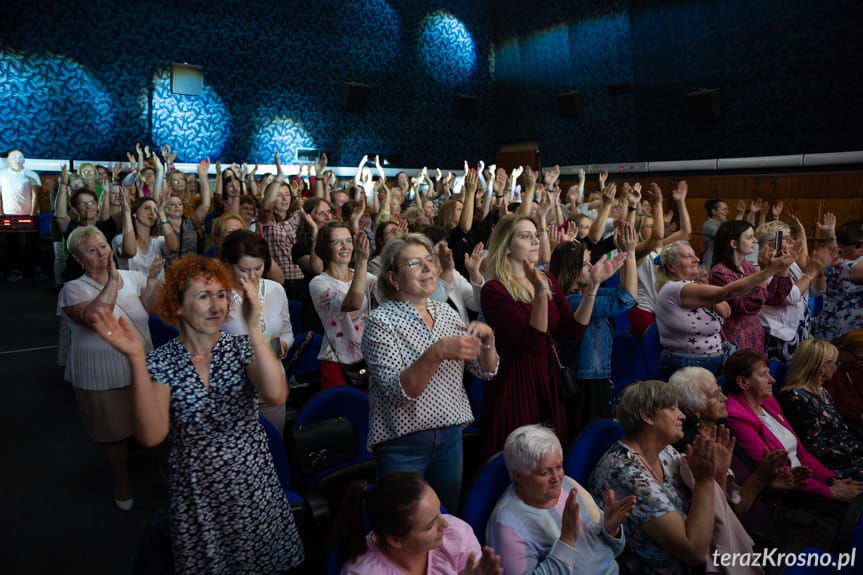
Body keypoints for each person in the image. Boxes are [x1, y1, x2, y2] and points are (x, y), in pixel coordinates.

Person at [89, 256, 304, 573]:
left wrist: (255, 327)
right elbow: (152, 435)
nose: (216, 305)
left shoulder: (242, 347)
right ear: (177, 305)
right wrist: (136, 358)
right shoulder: (161, 360)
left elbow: (275, 393)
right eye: (204, 296)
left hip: (252, 483)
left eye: (221, 295)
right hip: (198, 489)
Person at [361, 233, 498, 512]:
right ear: (393, 279)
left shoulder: (446, 313)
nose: (427, 268)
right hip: (403, 445)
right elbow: (399, 392)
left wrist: (487, 343)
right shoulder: (380, 321)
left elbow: (486, 371)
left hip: (449, 438)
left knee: (445, 521)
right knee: (405, 524)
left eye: (429, 261)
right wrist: (436, 352)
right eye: (414, 263)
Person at [480, 214, 624, 456]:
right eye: (526, 236)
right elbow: (533, 342)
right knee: (524, 456)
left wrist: (593, 287)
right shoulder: (494, 290)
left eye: (536, 235)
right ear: (506, 247)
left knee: (551, 455)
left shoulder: (547, 280)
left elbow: (574, 329)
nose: (535, 241)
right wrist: (538, 295)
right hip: (517, 383)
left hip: (548, 377)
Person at [668, 367, 809, 574]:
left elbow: (750, 476)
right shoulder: (693, 450)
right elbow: (725, 513)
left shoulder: (723, 426)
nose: (724, 397)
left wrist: (772, 481)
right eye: (716, 395)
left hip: (769, 516)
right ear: (697, 408)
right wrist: (760, 479)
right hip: (741, 541)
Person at [58, 226, 159, 510]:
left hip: (140, 366)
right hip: (101, 373)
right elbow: (96, 315)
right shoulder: (72, 289)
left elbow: (152, 310)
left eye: (103, 246)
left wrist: (150, 281)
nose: (102, 253)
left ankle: (160, 468)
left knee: (152, 422)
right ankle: (121, 481)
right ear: (79, 259)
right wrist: (113, 279)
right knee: (112, 434)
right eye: (92, 250)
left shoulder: (134, 276)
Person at [589, 380, 720, 575]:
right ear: (647, 415)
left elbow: (711, 511)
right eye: (673, 408)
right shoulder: (625, 474)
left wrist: (719, 473)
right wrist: (705, 481)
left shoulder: (665, 451)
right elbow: (694, 552)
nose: (683, 416)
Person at [487, 424, 634, 575]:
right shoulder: (507, 524)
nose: (557, 478)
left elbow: (611, 552)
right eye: (544, 472)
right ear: (518, 476)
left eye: (559, 467)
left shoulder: (568, 485)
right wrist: (566, 540)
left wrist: (611, 530)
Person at [723, 349, 863, 501]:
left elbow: (802, 454)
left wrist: (831, 480)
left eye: (769, 373)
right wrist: (830, 491)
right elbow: (774, 473)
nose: (772, 380)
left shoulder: (768, 401)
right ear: (743, 382)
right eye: (763, 375)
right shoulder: (737, 417)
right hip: (789, 493)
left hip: (811, 479)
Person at [654, 241, 792, 377]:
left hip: (706, 362)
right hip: (688, 365)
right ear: (672, 267)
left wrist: (708, 292)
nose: (696, 259)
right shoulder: (674, 288)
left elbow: (726, 311)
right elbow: (727, 293)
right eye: (688, 256)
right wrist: (768, 271)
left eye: (695, 255)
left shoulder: (692, 286)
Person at [550, 222, 637, 431]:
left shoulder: (580, 294)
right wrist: (631, 254)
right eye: (586, 264)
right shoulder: (572, 301)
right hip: (584, 381)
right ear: (572, 270)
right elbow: (627, 299)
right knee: (584, 433)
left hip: (594, 375)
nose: (591, 267)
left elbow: (623, 294)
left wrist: (626, 253)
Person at [332, 472, 502, 575]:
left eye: (439, 512)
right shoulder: (363, 572)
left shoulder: (457, 536)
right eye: (430, 525)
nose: (445, 525)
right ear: (396, 540)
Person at [220, 230, 293, 434]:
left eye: (258, 268)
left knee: (273, 444)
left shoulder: (275, 290)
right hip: (234, 390)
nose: (252, 276)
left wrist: (278, 347)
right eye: (244, 270)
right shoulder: (218, 296)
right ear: (227, 264)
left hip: (273, 379)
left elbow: (287, 332)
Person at [777, 339, 863, 480]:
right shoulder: (796, 398)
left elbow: (841, 432)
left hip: (847, 455)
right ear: (822, 367)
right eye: (834, 363)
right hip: (833, 465)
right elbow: (816, 448)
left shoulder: (821, 390)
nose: (836, 368)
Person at [709, 220, 793, 353]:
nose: (755, 241)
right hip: (736, 338)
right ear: (734, 243)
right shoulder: (720, 272)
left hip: (754, 334)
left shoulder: (747, 266)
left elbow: (773, 298)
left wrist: (784, 267)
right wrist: (766, 271)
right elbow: (748, 306)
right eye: (749, 237)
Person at [310, 221, 376, 388]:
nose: (345, 247)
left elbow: (395, 291)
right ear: (325, 247)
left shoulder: (364, 276)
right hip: (336, 361)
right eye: (337, 242)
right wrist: (361, 261)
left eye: (348, 241)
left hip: (367, 356)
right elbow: (353, 303)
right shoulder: (318, 283)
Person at [756, 219, 831, 362]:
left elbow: (815, 292)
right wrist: (810, 274)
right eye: (786, 238)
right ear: (771, 243)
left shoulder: (791, 263)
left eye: (791, 237)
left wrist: (819, 272)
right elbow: (789, 297)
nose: (792, 242)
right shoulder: (763, 266)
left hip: (798, 328)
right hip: (778, 334)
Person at [816, 220, 863, 342]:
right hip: (839, 333)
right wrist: (830, 236)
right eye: (858, 244)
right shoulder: (841, 265)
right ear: (842, 246)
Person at [0, 149, 41, 281]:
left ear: (24, 159)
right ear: (8, 160)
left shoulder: (32, 174)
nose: (17, 159)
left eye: (20, 156)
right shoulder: (1, 174)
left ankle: (32, 270)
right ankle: (14, 270)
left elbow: (36, 195)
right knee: (9, 244)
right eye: (13, 157)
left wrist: (32, 214)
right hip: (8, 215)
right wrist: (0, 213)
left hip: (27, 215)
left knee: (28, 243)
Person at [113, 196, 178, 277]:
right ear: (134, 213)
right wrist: (126, 213)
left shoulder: (158, 240)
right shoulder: (119, 239)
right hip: (133, 289)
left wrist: (161, 213)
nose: (152, 213)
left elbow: (174, 247)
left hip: (158, 288)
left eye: (155, 210)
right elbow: (130, 252)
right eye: (147, 208)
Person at [824, 329, 863, 430]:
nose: (860, 363)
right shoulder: (828, 372)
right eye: (860, 359)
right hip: (846, 424)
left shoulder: (855, 368)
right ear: (844, 351)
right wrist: (857, 417)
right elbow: (827, 406)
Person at [701, 199, 727, 268]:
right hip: (711, 263)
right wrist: (739, 215)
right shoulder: (708, 225)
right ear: (714, 211)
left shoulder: (724, 224)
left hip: (721, 262)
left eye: (726, 209)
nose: (726, 212)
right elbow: (727, 235)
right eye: (724, 209)